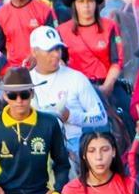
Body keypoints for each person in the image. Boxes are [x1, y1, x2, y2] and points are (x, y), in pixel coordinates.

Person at [28, 23, 111, 159]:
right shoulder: (26, 80)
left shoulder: (76, 78)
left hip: (73, 143)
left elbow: (101, 118)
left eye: (58, 49)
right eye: (49, 50)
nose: (56, 55)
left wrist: (70, 116)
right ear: (34, 51)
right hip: (37, 144)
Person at [57, 0, 126, 116]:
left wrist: (107, 86)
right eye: (81, 2)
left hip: (106, 83)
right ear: (74, 5)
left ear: (96, 4)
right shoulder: (62, 30)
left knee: (128, 115)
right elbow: (61, 61)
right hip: (76, 87)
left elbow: (117, 60)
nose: (86, 6)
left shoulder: (110, 26)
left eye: (90, 1)